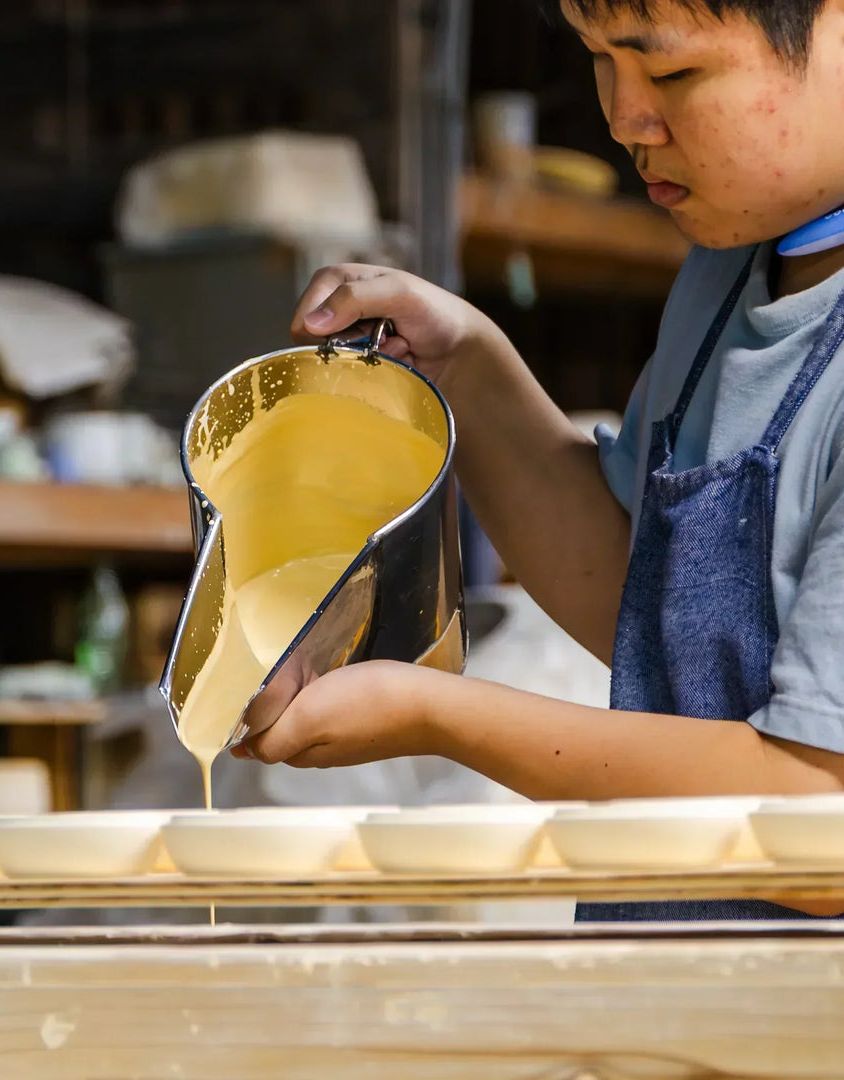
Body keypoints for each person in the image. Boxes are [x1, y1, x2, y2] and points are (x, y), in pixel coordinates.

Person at [232, 0, 844, 921]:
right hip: (683, 1007)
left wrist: (437, 713)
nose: (625, 117)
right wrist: (464, 368)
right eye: (600, 60)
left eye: (670, 72)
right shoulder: (729, 271)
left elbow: (819, 828)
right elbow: (651, 617)